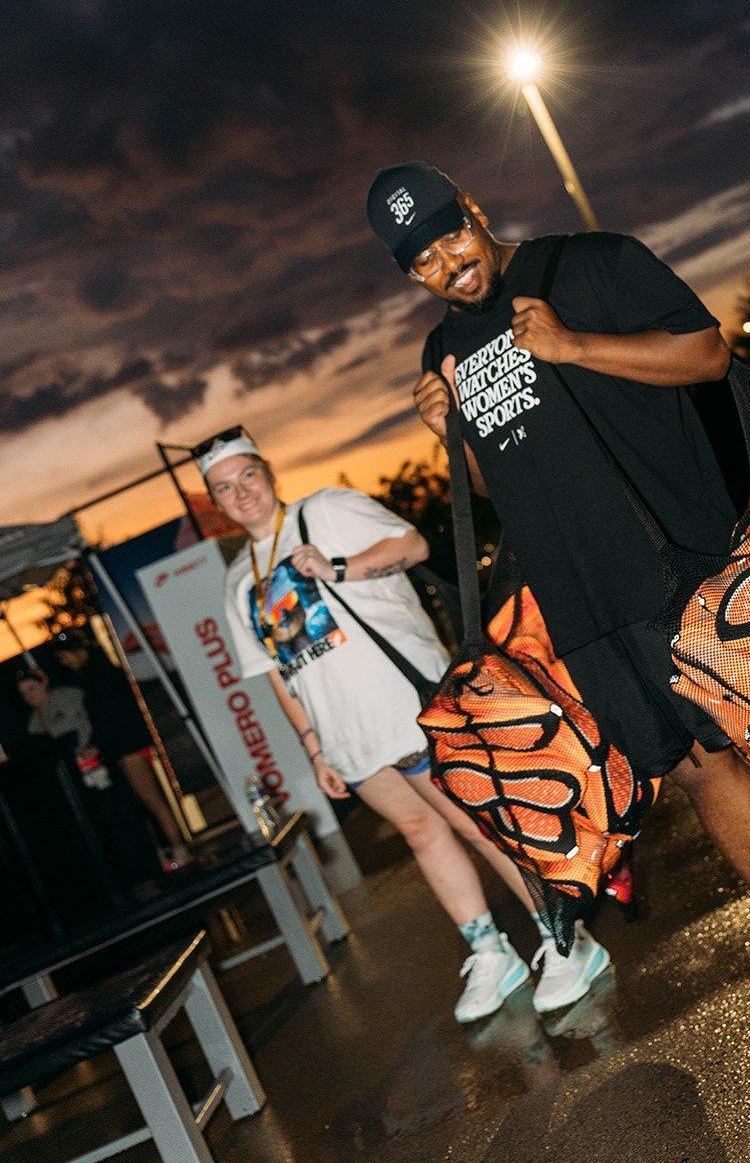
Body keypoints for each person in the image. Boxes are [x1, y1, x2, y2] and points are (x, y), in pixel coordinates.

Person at [366, 161, 750, 1054]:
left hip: (686, 561)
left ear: (473, 211)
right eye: (422, 260)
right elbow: (495, 484)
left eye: (450, 235)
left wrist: (571, 346)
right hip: (586, 601)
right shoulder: (440, 349)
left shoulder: (587, 264)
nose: (447, 263)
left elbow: (705, 353)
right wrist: (443, 428)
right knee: (695, 766)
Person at [197, 426, 610, 1021]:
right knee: (421, 833)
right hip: (347, 735)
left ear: (268, 472)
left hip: (410, 705)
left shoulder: (325, 511)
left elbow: (412, 546)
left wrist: (337, 567)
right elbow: (279, 675)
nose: (241, 493)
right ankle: (491, 953)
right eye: (223, 488)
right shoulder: (239, 582)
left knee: (478, 825)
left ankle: (569, 940)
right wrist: (314, 749)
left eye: (247, 476)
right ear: (215, 503)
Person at [52, 630, 192, 872]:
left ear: (77, 652)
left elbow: (110, 719)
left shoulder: (99, 679)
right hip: (127, 745)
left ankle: (179, 849)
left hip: (127, 747)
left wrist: (99, 745)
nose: (66, 663)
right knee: (149, 800)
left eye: (66, 657)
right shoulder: (101, 673)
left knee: (151, 799)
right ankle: (173, 849)